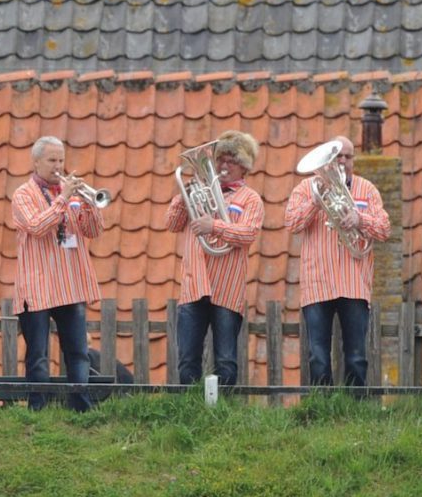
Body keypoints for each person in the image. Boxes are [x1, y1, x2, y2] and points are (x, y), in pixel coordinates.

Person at [286, 136, 392, 388]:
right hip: (318, 282)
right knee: (318, 356)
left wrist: (360, 220)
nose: (343, 161)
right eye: (337, 156)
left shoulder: (367, 189)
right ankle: (323, 410)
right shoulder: (305, 189)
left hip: (354, 282)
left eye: (348, 156)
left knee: (356, 356)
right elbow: (291, 224)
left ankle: (354, 411)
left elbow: (385, 229)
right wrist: (315, 199)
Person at [11, 136, 105, 411]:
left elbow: (93, 232)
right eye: (52, 160)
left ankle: (81, 407)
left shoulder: (73, 194)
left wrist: (89, 206)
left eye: (61, 160)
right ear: (37, 162)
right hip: (37, 285)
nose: (58, 166)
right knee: (38, 354)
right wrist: (63, 199)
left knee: (77, 352)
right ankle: (37, 409)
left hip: (69, 283)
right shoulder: (23, 195)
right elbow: (37, 227)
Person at [166, 130, 264, 388]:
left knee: (226, 360)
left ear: (244, 167)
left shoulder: (251, 199)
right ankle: (190, 410)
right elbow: (173, 224)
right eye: (220, 159)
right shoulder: (198, 191)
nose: (223, 165)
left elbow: (248, 234)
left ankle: (224, 411)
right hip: (193, 284)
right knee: (187, 358)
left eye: (231, 160)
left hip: (227, 286)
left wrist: (215, 226)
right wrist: (184, 195)